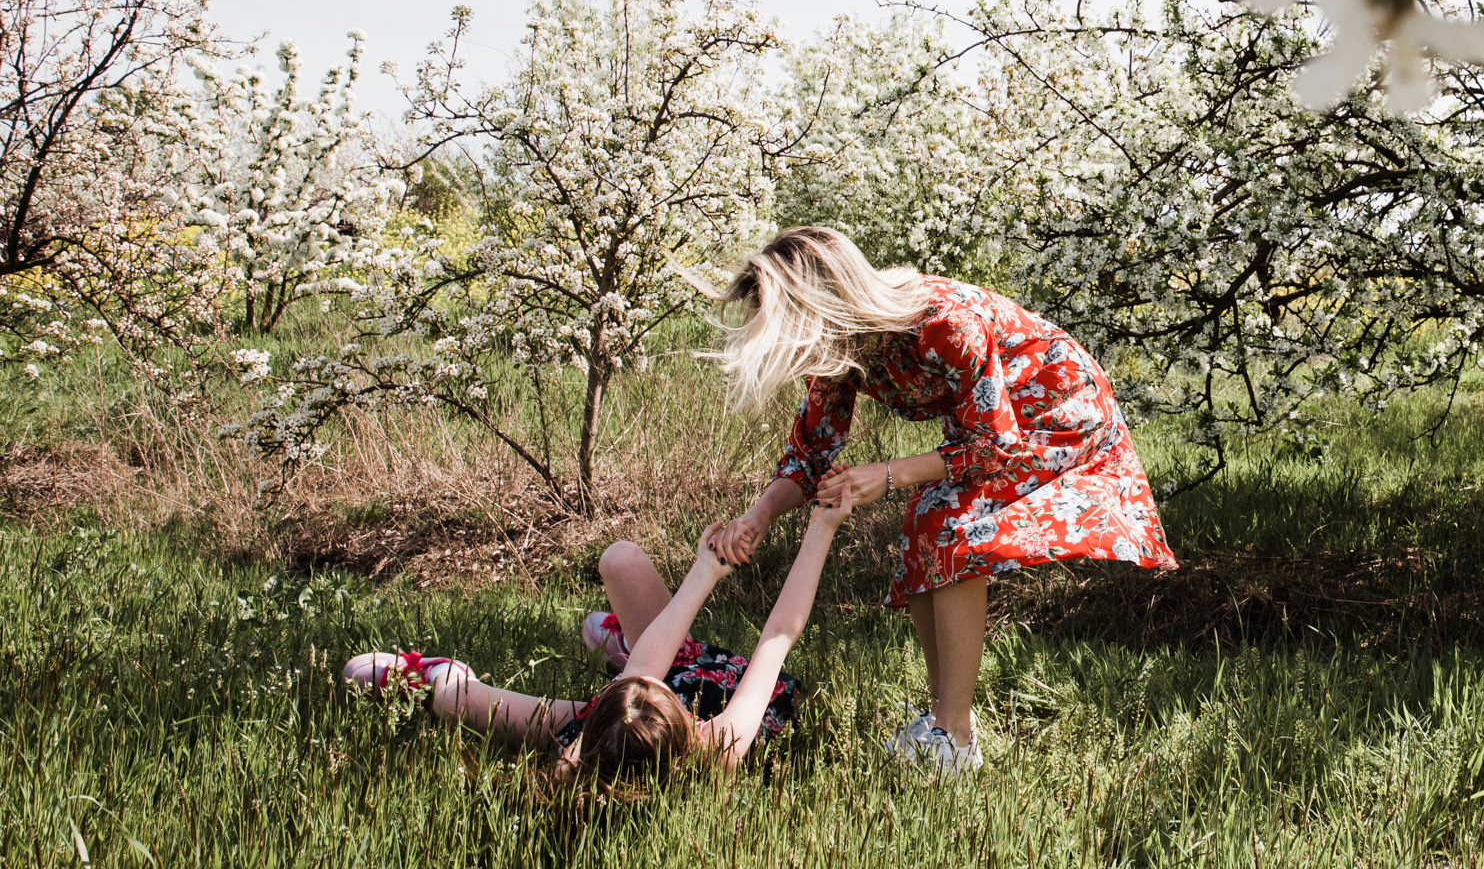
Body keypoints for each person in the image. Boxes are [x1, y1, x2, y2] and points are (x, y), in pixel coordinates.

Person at [704, 225, 1177, 774]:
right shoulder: (839, 349)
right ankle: (947, 724)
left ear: (825, 303)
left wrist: (889, 472)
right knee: (929, 520)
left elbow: (996, 444)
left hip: (1056, 411)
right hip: (995, 430)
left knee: (951, 527)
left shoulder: (942, 323)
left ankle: (953, 737)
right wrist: (758, 515)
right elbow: (810, 455)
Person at [342, 502, 848, 785]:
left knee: (455, 697)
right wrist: (822, 523)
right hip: (717, 692)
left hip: (625, 715)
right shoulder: (720, 746)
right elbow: (778, 634)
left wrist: (707, 569)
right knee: (625, 573)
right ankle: (627, 644)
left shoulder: (576, 761)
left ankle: (438, 672)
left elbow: (647, 681)